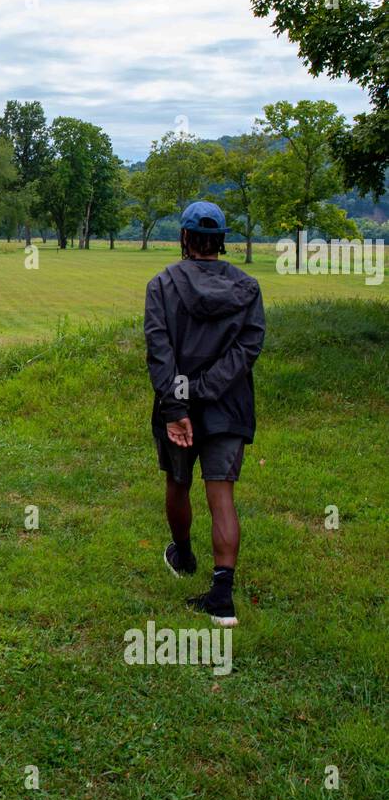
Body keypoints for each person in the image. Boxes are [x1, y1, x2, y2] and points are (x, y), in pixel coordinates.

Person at [143, 201, 266, 627]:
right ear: (221, 241)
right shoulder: (248, 287)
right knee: (222, 494)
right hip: (229, 407)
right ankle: (222, 596)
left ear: (184, 238)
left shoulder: (161, 284)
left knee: (178, 483)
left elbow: (160, 353)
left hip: (179, 408)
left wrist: (180, 405)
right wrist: (209, 390)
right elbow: (248, 349)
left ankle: (183, 555)